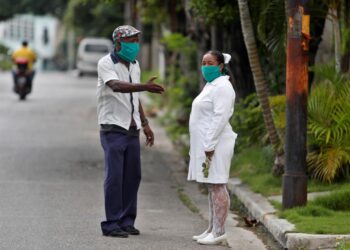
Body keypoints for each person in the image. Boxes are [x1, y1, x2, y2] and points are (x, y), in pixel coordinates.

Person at [96, 25, 164, 238]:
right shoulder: (106, 63)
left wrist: (145, 123)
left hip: (132, 127)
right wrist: (144, 87)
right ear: (118, 43)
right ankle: (111, 223)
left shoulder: (135, 65)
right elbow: (116, 86)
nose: (134, 45)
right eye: (130, 41)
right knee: (115, 177)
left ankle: (126, 220)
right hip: (113, 127)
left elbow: (134, 97)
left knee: (133, 176)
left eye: (136, 41)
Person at [188, 51, 237, 245]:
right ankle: (211, 228)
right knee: (211, 185)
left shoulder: (223, 87)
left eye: (210, 63)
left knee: (217, 184)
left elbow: (220, 117)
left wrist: (209, 145)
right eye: (203, 62)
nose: (205, 66)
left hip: (216, 144)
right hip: (207, 144)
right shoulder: (211, 85)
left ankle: (219, 232)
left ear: (220, 66)